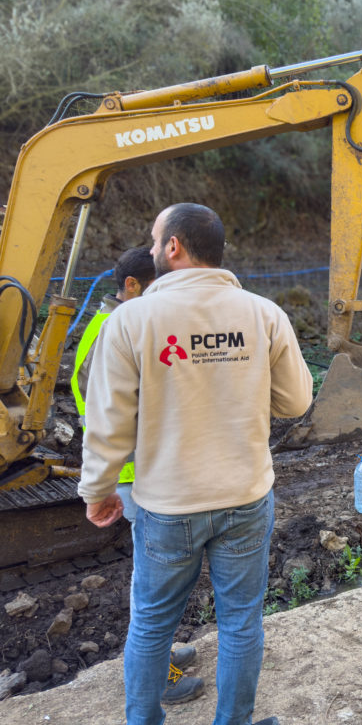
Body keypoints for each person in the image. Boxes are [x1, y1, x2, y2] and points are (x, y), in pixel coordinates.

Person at [78, 203, 313, 725]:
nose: (152, 248)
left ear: (173, 246)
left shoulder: (130, 320)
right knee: (241, 623)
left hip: (168, 504)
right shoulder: (264, 314)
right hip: (245, 497)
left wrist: (97, 490)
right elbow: (296, 402)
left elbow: (108, 422)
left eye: (154, 240)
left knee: (151, 626)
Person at [71, 247, 204, 704]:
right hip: (133, 472)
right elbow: (112, 414)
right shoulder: (116, 328)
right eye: (156, 285)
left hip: (136, 468)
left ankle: (159, 654)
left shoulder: (116, 323)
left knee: (155, 578)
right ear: (132, 286)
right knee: (151, 583)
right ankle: (156, 675)